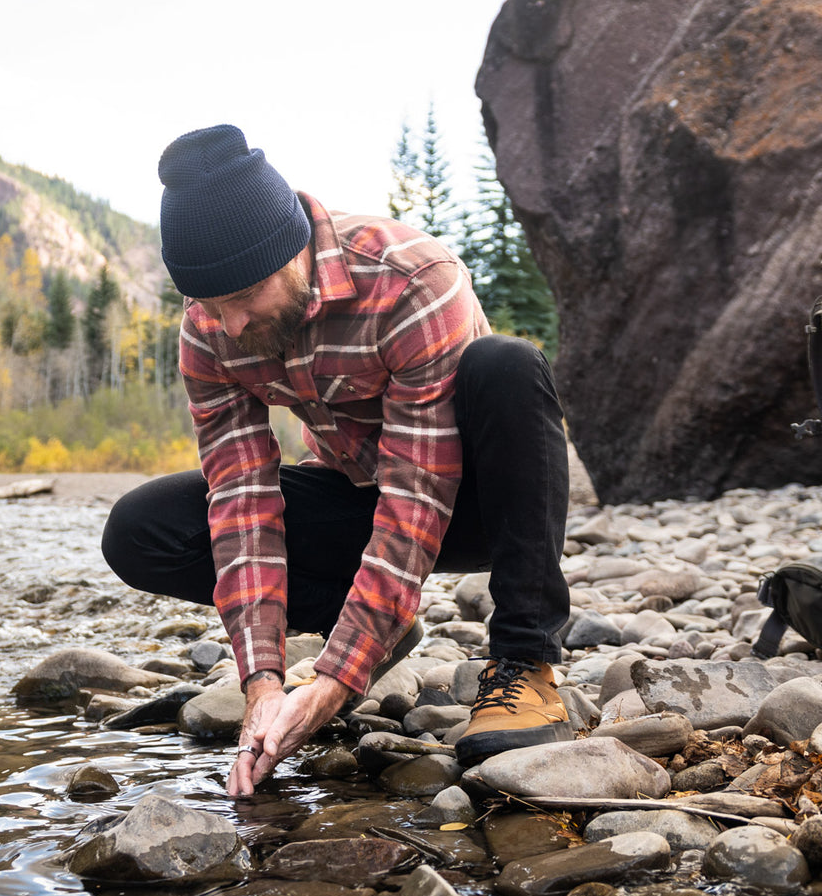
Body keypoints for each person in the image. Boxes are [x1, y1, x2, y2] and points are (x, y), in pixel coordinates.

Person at [102, 124, 572, 797]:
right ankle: (381, 629)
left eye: (244, 298)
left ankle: (525, 663)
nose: (228, 324)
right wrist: (262, 680)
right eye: (210, 303)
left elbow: (417, 495)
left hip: (472, 502)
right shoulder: (211, 329)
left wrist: (337, 680)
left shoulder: (411, 278)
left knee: (508, 367)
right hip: (359, 494)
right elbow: (241, 504)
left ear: (291, 251)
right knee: (142, 527)